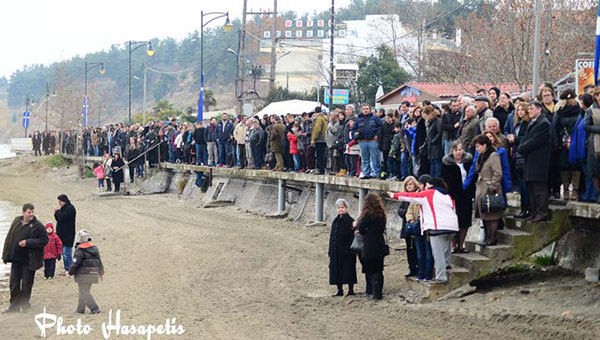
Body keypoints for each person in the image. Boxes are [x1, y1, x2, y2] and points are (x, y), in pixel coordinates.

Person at [389, 177, 458, 284]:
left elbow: (410, 196)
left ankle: (441, 277)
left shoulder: (428, 193)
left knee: (437, 253)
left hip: (437, 227)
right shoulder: (448, 196)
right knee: (446, 248)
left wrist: (394, 195)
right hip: (452, 226)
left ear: (430, 185)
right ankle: (447, 264)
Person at [2, 203, 48, 313]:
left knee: (27, 284)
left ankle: (25, 306)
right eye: (29, 212)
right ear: (23, 212)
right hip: (15, 259)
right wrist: (5, 255)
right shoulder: (16, 221)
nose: (31, 214)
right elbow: (9, 238)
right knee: (14, 283)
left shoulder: (38, 226)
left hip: (29, 260)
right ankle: (14, 306)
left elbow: (44, 240)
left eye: (32, 212)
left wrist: (28, 242)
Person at [518, 101, 552, 222]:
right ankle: (534, 211)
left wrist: (522, 148)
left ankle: (542, 212)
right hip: (530, 158)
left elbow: (535, 141)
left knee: (539, 187)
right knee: (531, 186)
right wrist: (521, 146)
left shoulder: (543, 123)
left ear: (539, 109)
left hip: (539, 159)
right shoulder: (532, 123)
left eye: (532, 109)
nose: (530, 111)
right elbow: (525, 138)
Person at [441, 140, 474, 253]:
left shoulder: (468, 161)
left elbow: (473, 175)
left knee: (465, 221)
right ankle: (454, 246)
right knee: (454, 221)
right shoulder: (447, 163)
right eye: (456, 150)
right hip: (453, 196)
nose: (458, 153)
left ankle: (461, 245)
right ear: (452, 151)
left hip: (466, 195)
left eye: (460, 150)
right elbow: (443, 180)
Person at [354, 193, 387, 300]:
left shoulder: (367, 215)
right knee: (379, 269)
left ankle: (373, 293)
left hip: (369, 244)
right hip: (380, 242)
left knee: (371, 269)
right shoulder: (382, 214)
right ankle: (378, 293)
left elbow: (362, 228)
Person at [473, 135, 504, 246]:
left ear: (484, 145)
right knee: (484, 215)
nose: (476, 149)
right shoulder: (481, 156)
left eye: (478, 146)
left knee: (492, 214)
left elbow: (498, 173)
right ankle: (487, 237)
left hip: (490, 188)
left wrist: (492, 187)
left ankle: (492, 237)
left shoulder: (493, 156)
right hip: (481, 188)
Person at [553, 89, 582, 200]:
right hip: (563, 141)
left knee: (576, 165)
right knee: (564, 166)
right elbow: (555, 128)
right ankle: (565, 189)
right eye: (570, 98)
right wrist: (557, 143)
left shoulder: (579, 111)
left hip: (576, 141)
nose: (572, 100)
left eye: (573, 98)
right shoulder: (559, 112)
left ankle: (575, 189)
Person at [68, 230, 104, 315]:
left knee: (84, 292)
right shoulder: (94, 248)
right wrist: (101, 273)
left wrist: (69, 272)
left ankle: (94, 308)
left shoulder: (79, 250)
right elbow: (99, 261)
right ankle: (80, 309)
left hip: (83, 275)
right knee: (84, 291)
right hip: (93, 273)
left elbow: (75, 263)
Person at [328, 199, 357, 297]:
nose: (340, 209)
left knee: (349, 270)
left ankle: (351, 290)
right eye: (339, 208)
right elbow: (332, 237)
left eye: (342, 207)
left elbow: (353, 237)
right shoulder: (335, 221)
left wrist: (350, 249)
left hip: (347, 250)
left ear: (346, 208)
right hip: (336, 250)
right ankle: (339, 290)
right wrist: (330, 250)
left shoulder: (350, 221)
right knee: (336, 270)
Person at [508, 102, 531, 218]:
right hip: (516, 155)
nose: (520, 112)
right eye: (518, 110)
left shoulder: (527, 124)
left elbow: (526, 138)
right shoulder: (517, 124)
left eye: (522, 110)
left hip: (523, 156)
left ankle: (527, 208)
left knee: (524, 184)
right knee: (521, 184)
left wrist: (515, 139)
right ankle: (523, 208)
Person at [352, 104, 382, 179]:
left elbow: (380, 127)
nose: (366, 110)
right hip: (362, 141)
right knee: (365, 159)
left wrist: (377, 135)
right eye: (364, 109)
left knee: (375, 158)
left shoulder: (375, 118)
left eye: (367, 109)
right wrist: (356, 138)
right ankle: (366, 173)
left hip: (372, 141)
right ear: (362, 110)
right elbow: (354, 129)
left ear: (370, 109)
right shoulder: (358, 119)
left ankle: (377, 173)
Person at [398, 176, 420, 277]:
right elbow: (400, 210)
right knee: (409, 249)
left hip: (416, 224)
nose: (409, 186)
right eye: (407, 185)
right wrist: (407, 214)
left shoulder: (417, 195)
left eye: (410, 184)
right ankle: (412, 268)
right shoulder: (405, 197)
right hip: (407, 226)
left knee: (417, 248)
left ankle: (419, 267)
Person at [584, 87, 600, 202]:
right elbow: (587, 126)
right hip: (595, 142)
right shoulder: (590, 110)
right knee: (595, 170)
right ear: (596, 96)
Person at [54, 194, 76, 273]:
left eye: (60, 201)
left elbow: (61, 218)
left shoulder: (70, 209)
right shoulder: (64, 208)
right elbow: (58, 219)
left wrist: (57, 211)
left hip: (68, 234)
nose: (59, 203)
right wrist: (57, 212)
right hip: (62, 234)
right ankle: (67, 268)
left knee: (67, 253)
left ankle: (70, 268)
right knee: (63, 252)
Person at [423, 106, 443, 177]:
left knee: (437, 166)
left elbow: (439, 132)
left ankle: (437, 180)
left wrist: (432, 141)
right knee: (432, 166)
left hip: (436, 147)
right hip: (431, 147)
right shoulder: (430, 123)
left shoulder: (438, 121)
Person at [311, 107, 328, 175]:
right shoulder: (325, 118)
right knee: (322, 155)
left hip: (319, 139)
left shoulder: (319, 119)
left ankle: (320, 170)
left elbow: (317, 129)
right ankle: (322, 169)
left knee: (319, 155)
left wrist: (313, 139)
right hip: (324, 139)